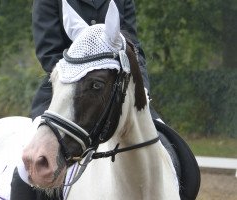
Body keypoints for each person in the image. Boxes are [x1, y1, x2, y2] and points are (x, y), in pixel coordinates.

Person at [10, 0, 160, 199]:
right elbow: (50, 53)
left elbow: (134, 48)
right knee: (27, 166)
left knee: (165, 137)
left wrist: (141, 87)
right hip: (63, 93)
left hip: (118, 92)